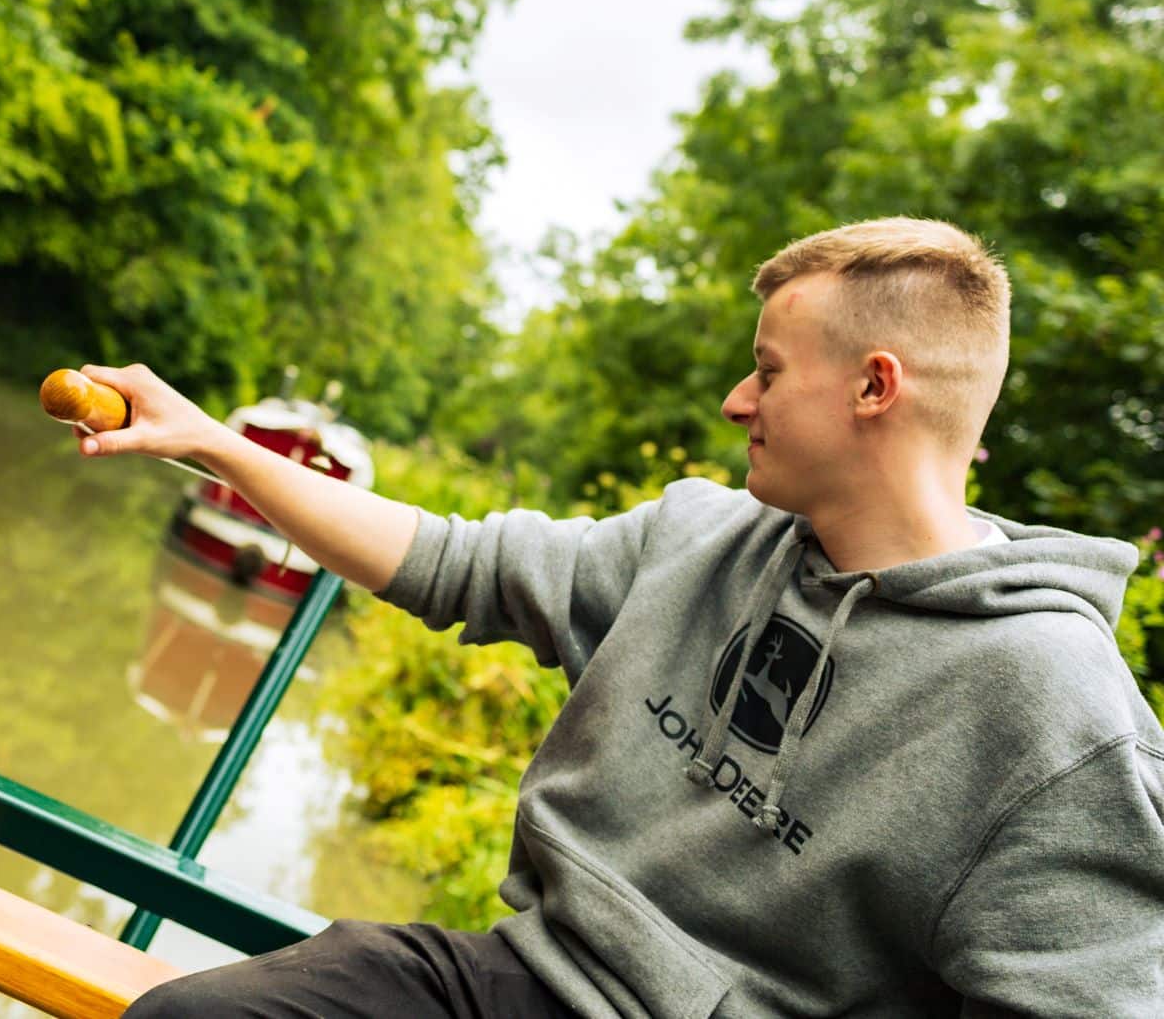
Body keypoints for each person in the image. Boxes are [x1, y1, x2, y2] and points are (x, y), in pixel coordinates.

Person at [89, 218, 1164, 1018]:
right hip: (524, 978)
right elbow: (455, 561)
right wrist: (218, 447)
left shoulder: (1054, 712)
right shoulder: (700, 536)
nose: (735, 404)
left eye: (766, 371)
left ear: (872, 389)